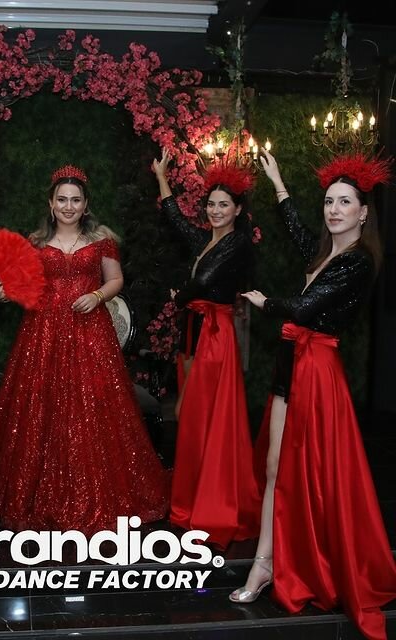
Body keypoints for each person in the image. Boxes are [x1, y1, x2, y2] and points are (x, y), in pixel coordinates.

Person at [232, 150, 396, 640]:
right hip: (292, 362)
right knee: (274, 467)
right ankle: (264, 564)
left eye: (344, 202)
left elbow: (304, 308)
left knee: (310, 473)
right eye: (329, 201)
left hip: (317, 370)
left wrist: (266, 303)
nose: (334, 209)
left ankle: (305, 560)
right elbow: (298, 232)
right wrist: (279, 182)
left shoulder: (359, 262)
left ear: (363, 212)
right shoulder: (325, 254)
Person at [0, 164, 169, 534]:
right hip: (42, 334)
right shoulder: (34, 243)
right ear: (50, 203)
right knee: (41, 410)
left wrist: (97, 295)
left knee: (95, 409)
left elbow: (116, 280)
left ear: (86, 204)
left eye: (75, 200)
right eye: (62, 199)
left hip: (91, 334)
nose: (68, 206)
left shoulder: (102, 241)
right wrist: (0, 294)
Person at [152, 148, 260, 549]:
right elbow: (176, 220)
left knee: (203, 414)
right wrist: (161, 177)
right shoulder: (205, 240)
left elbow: (205, 281)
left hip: (215, 334)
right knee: (191, 414)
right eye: (211, 205)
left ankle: (212, 499)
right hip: (196, 329)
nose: (215, 211)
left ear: (237, 209)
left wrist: (180, 296)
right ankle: (195, 491)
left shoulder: (238, 243)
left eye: (223, 205)